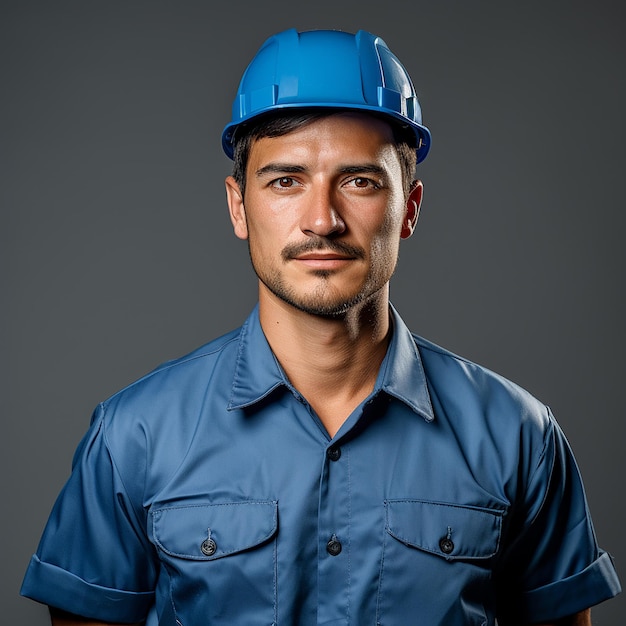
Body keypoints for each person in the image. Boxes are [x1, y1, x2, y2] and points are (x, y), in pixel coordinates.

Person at [21, 27, 620, 626]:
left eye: (359, 181)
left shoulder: (520, 437)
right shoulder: (134, 437)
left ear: (408, 208)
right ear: (238, 206)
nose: (323, 220)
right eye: (286, 181)